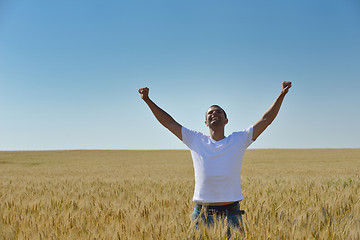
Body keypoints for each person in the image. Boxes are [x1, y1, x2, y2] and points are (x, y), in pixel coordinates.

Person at [138, 81, 292, 236]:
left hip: (231, 214)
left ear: (226, 120)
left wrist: (281, 95)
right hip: (201, 215)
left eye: (218, 112)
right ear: (206, 123)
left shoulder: (239, 139)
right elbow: (169, 123)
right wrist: (147, 100)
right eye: (210, 113)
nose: (214, 114)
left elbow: (266, 120)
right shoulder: (195, 140)